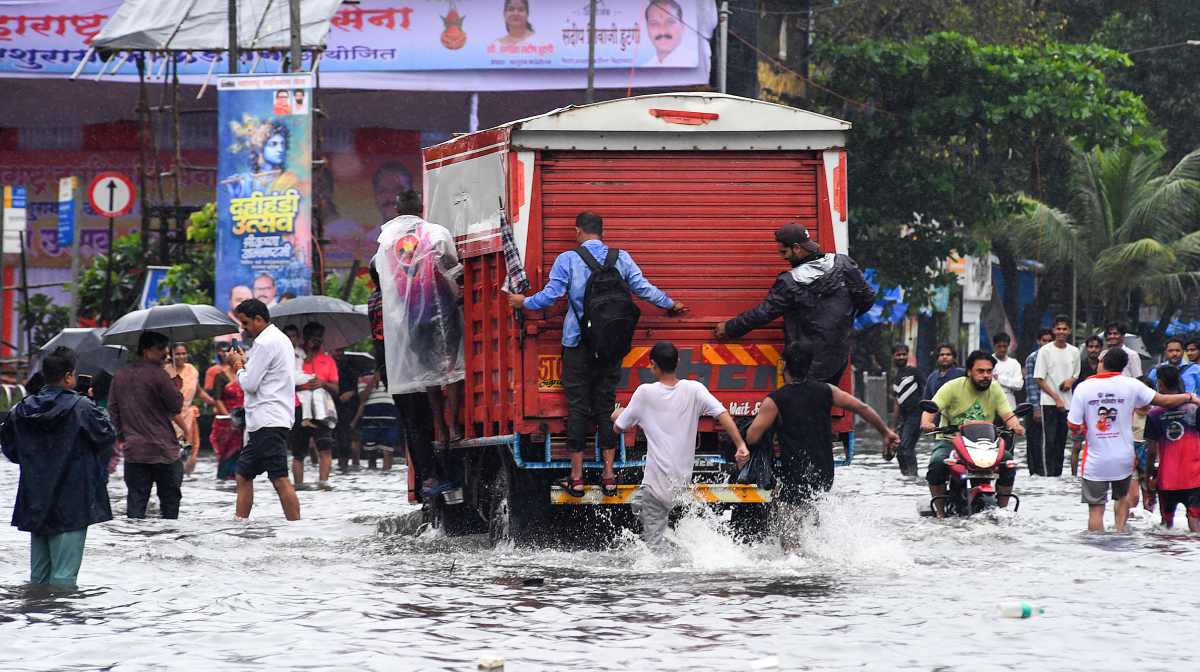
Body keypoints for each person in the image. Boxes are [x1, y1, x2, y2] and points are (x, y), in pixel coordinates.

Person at [509, 211, 685, 497]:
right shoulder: (621, 257)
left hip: (577, 344)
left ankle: (577, 477)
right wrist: (669, 303)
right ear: (601, 232)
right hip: (612, 345)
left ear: (578, 231)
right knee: (605, 408)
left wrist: (523, 302)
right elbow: (642, 288)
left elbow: (551, 295)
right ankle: (609, 474)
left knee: (577, 408)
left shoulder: (568, 259)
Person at [611, 342, 746, 547]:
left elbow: (618, 428)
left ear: (653, 365)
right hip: (680, 482)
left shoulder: (644, 393)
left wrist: (617, 414)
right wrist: (740, 445)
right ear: (678, 363)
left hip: (657, 484)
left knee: (654, 547)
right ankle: (675, 542)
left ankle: (675, 557)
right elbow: (722, 413)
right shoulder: (694, 389)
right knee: (639, 503)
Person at [1, 348, 116, 588]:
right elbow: (106, 435)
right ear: (68, 377)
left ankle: (36, 620)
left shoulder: (21, 409)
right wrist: (91, 402)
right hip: (71, 504)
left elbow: (11, 451)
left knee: (39, 577)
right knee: (64, 580)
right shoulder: (82, 407)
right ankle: (61, 623)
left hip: (35, 501)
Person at [747, 342, 898, 518]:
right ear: (809, 366)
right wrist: (885, 432)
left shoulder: (775, 400)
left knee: (791, 527)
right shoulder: (827, 391)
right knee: (812, 515)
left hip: (795, 472)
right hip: (824, 470)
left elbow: (752, 437)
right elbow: (862, 407)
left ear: (784, 366)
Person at [714, 222, 874, 385]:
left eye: (784, 251)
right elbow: (867, 298)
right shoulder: (843, 263)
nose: (782, 257)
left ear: (797, 248)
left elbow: (763, 313)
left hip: (806, 360)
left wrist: (730, 328)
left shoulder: (790, 282)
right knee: (823, 404)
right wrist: (842, 320)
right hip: (838, 355)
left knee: (803, 406)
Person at [1068, 349, 1197, 532]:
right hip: (1123, 458)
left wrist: (1087, 426)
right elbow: (1164, 401)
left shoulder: (1083, 387)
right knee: (1122, 500)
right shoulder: (1132, 385)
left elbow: (1073, 424)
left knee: (1096, 510)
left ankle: (1095, 552)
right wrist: (1189, 397)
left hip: (1095, 461)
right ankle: (1121, 537)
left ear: (1102, 362)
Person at [376, 189, 466, 449]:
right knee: (452, 366)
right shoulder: (436, 233)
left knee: (429, 373)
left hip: (412, 315)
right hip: (441, 308)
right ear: (421, 207)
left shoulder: (387, 241)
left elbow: (384, 278)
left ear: (396, 209)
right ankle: (454, 425)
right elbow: (452, 265)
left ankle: (439, 429)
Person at [921, 350, 1025, 517]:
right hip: (951, 441)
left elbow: (1008, 415)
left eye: (989, 371)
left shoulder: (995, 389)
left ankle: (1003, 512)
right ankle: (940, 513)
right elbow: (931, 408)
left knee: (1008, 463)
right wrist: (926, 423)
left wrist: (1017, 426)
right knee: (937, 462)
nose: (985, 375)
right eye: (980, 371)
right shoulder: (952, 387)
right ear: (969, 371)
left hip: (985, 443)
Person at [227, 299, 301, 520]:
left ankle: (296, 527)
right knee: (243, 474)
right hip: (271, 419)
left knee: (279, 478)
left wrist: (238, 366)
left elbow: (250, 383)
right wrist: (245, 364)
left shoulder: (265, 342)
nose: (243, 329)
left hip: (268, 420)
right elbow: (262, 376)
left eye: (246, 323)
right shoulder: (280, 339)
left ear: (259, 319)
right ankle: (240, 523)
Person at [108, 331, 185, 519]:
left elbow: (113, 409)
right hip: (163, 451)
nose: (164, 355)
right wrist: (176, 387)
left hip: (134, 452)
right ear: (146, 350)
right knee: (170, 506)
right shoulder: (159, 375)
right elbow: (175, 406)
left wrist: (123, 437)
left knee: (135, 506)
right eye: (160, 350)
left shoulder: (120, 375)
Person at [1145, 366, 1200, 531]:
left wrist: (1149, 476)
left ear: (1160, 384)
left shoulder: (1154, 414)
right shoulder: (1194, 409)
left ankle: (1166, 557)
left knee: (1165, 527)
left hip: (1167, 480)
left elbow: (1151, 451)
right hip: (1195, 477)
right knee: (1195, 524)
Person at [291, 322, 339, 489]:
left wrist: (322, 383)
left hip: (322, 411)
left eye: (320, 337)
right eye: (313, 337)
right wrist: (300, 386)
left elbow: (336, 388)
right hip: (299, 408)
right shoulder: (295, 358)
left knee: (325, 447)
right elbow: (285, 382)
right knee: (299, 452)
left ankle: (324, 484)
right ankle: (298, 487)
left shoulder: (328, 360)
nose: (317, 340)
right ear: (305, 338)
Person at [1033, 316, 1080, 477]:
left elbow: (1076, 373)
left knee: (1061, 442)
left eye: (1064, 329)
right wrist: (1056, 398)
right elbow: (1039, 378)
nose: (1061, 332)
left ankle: (1058, 474)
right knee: (1050, 441)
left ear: (1069, 331)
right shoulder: (1045, 351)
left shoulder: (1074, 351)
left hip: (1068, 403)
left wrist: (1070, 381)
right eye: (1058, 329)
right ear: (1053, 331)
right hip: (1048, 403)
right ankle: (1048, 476)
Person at [164, 343, 218, 475]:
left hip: (188, 418)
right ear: (171, 355)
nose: (181, 356)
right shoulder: (165, 371)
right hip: (169, 419)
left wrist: (214, 403)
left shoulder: (192, 370)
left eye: (183, 353)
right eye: (177, 354)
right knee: (170, 457)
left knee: (188, 456)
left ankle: (185, 485)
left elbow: (198, 391)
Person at [206, 346, 243, 482]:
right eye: (231, 354)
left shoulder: (245, 374)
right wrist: (230, 417)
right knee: (226, 454)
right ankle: (224, 483)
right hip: (226, 422)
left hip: (243, 421)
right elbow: (217, 399)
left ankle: (238, 482)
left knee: (242, 453)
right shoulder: (220, 376)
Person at [888, 344, 924, 477]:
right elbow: (896, 403)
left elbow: (925, 391)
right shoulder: (895, 378)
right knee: (900, 450)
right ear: (893, 356)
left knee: (906, 447)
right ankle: (906, 477)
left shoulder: (915, 372)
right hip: (905, 418)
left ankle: (913, 478)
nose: (901, 357)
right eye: (898, 354)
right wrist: (893, 426)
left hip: (917, 415)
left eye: (904, 354)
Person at [1070, 335, 1104, 475]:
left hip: (1100, 411)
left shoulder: (1104, 366)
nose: (1093, 350)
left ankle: (1096, 473)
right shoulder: (1080, 365)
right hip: (1082, 410)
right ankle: (1073, 476)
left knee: (1100, 445)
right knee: (1077, 446)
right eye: (1090, 347)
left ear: (1101, 349)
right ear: (1086, 348)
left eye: (1096, 347)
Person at [1023, 328, 1053, 475]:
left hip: (1053, 405)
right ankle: (1035, 473)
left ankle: (1050, 472)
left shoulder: (1056, 358)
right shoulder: (1033, 358)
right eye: (1044, 341)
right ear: (1038, 341)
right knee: (1034, 442)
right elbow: (1030, 384)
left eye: (1049, 341)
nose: (1046, 344)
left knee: (1052, 441)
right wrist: (1035, 408)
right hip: (1035, 406)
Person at [641, 0, 688, 67]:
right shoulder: (645, 69)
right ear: (647, 29)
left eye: (670, 22)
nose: (662, 30)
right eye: (654, 23)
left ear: (682, 27)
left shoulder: (695, 64)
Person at [991, 333, 1023, 411]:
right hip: (990, 399)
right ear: (994, 346)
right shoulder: (988, 361)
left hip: (1009, 400)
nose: (1002, 349)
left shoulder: (1014, 363)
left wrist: (999, 378)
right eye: (999, 346)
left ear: (1008, 346)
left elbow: (1018, 385)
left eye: (1004, 346)